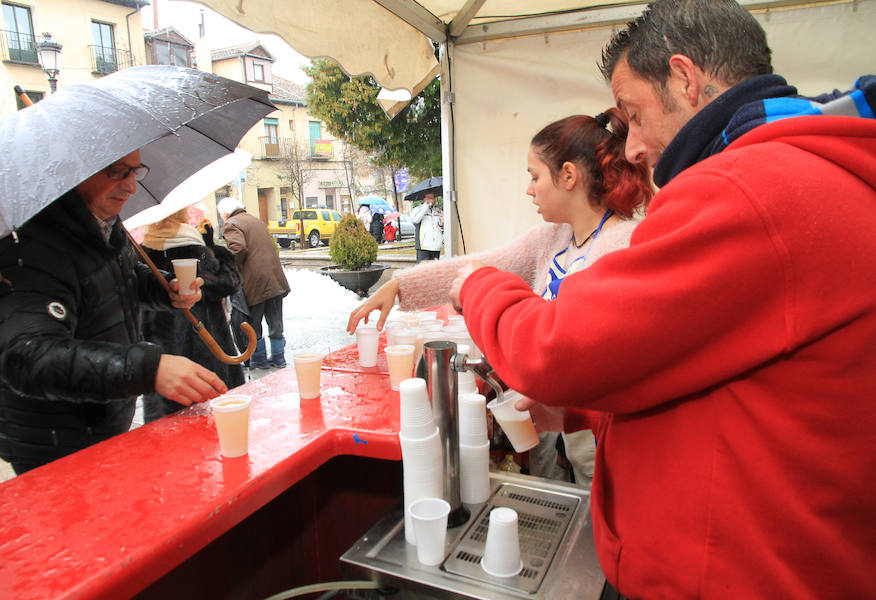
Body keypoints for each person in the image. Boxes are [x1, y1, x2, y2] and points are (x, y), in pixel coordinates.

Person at [448, 1, 876, 598]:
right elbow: (719, 374)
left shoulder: (745, 188)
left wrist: (477, 286)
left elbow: (554, 349)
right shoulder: (801, 171)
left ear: (684, 78)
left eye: (634, 115)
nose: (631, 148)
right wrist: (583, 413)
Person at [346, 109, 653, 481]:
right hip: (556, 421)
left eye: (535, 176)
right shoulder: (554, 237)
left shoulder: (622, 244)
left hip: (602, 438)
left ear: (568, 176)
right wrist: (399, 286)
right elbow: (480, 267)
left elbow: (598, 352)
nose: (529, 189)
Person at [0, 151, 228, 474]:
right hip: (50, 439)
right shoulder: (26, 243)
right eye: (117, 171)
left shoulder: (102, 223)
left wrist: (165, 288)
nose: (131, 187)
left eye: (135, 171)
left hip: (99, 418)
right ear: (73, 171)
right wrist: (149, 369)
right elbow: (27, 355)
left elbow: (118, 278)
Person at [140, 208, 246, 422]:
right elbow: (229, 282)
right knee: (211, 418)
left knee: (169, 424)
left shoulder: (142, 251)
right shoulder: (195, 246)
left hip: (163, 353)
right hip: (206, 340)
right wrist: (213, 247)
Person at [217, 197, 290, 370]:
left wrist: (229, 267)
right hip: (274, 279)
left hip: (255, 282)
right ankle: (279, 357)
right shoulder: (255, 220)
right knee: (275, 321)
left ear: (225, 213)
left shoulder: (231, 224)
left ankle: (258, 359)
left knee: (253, 323)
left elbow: (238, 248)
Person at [410, 192, 443, 262]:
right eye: (428, 197)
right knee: (423, 268)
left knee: (435, 268)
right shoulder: (417, 209)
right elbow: (415, 220)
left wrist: (442, 222)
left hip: (436, 246)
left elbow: (441, 227)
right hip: (423, 246)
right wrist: (426, 206)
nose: (431, 200)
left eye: (433, 197)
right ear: (424, 199)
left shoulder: (438, 210)